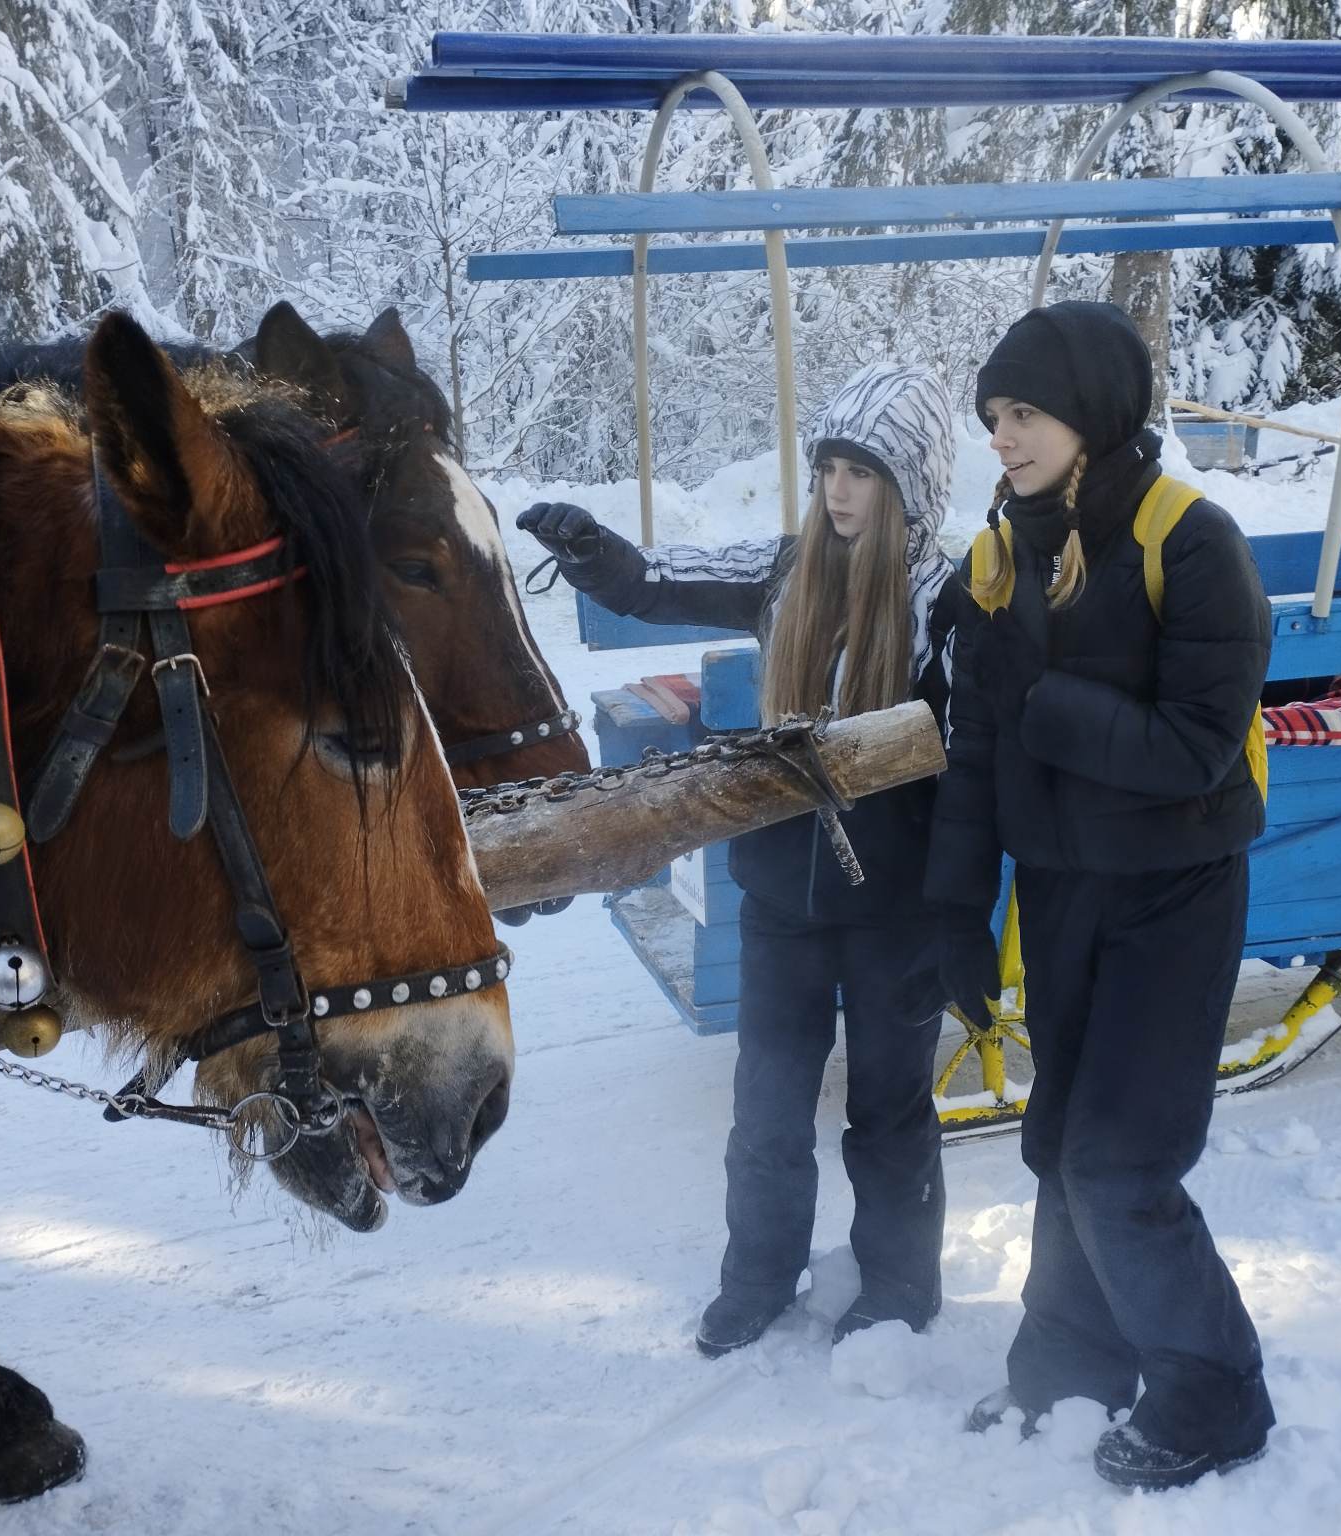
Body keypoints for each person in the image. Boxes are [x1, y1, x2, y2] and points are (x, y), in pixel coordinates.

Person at [519, 363, 958, 1357]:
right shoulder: (788, 567)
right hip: (782, 900)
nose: (840, 492)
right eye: (830, 469)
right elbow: (658, 582)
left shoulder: (950, 600)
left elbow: (976, 773)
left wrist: (962, 910)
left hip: (897, 909)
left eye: (864, 472)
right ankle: (758, 1277)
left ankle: (897, 1288)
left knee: (890, 1114)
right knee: (766, 1109)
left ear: (914, 482)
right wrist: (593, 553)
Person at [926, 300, 1275, 1490]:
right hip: (1063, 891)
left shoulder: (1191, 541)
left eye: (1024, 413)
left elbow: (1198, 749)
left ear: (1091, 410)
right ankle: (1071, 1364)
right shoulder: (997, 556)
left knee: (1120, 1162)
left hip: (1175, 891)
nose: (1004, 437)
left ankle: (1214, 1394)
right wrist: (953, 910)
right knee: (1059, 1145)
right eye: (992, 417)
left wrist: (1055, 710)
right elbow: (975, 758)